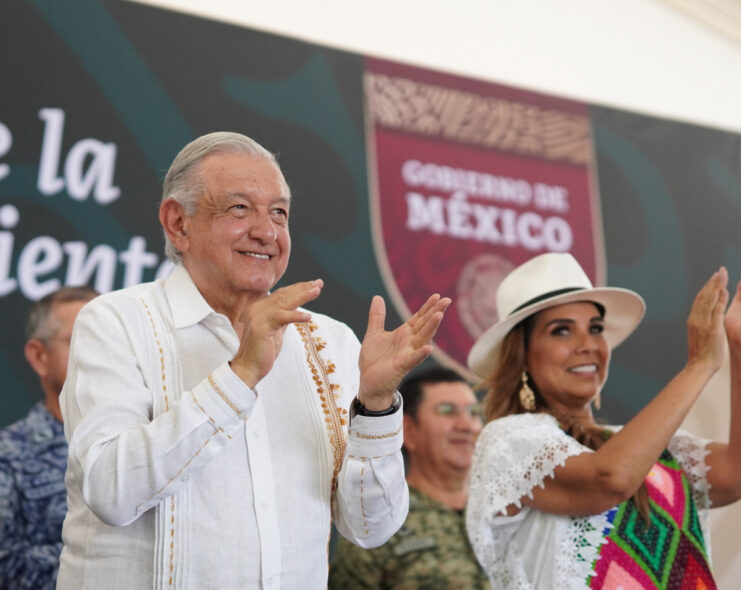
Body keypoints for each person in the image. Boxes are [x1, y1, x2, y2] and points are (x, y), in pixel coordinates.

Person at [56, 131, 451, 590]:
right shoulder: (117, 321)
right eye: (239, 208)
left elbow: (370, 528)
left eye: (279, 212)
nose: (267, 231)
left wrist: (377, 406)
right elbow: (112, 491)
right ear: (178, 224)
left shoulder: (329, 341)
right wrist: (240, 374)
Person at [465, 252, 741, 589]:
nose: (588, 345)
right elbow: (608, 480)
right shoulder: (507, 441)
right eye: (561, 331)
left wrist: (740, 346)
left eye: (595, 329)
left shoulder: (643, 445)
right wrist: (699, 365)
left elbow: (738, 472)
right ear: (522, 355)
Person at [329, 367, 490, 590]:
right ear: (409, 430)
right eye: (447, 410)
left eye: (474, 412)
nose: (466, 425)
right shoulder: (379, 519)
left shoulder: (506, 510)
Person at [0, 286, 97, 590]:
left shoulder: (147, 439)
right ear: (39, 356)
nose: (98, 355)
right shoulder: (9, 454)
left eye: (106, 340)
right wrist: (111, 555)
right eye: (79, 340)